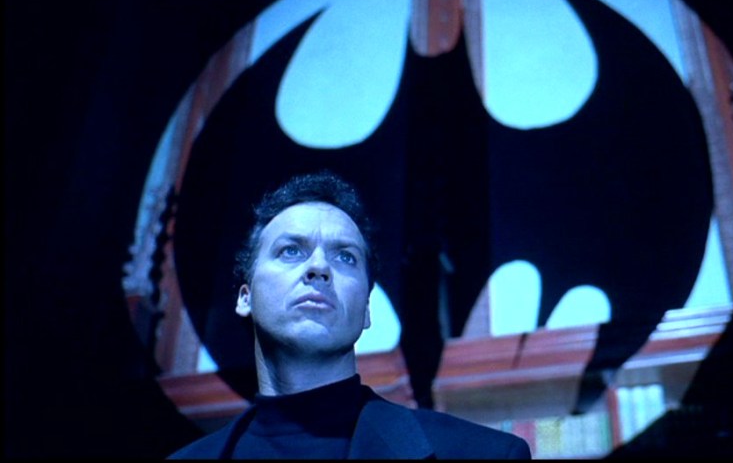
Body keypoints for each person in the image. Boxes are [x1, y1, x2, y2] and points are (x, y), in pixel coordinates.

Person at [168, 170, 531, 459]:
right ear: (245, 297)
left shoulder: (486, 454)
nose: (319, 267)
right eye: (291, 250)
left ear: (367, 310)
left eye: (345, 257)